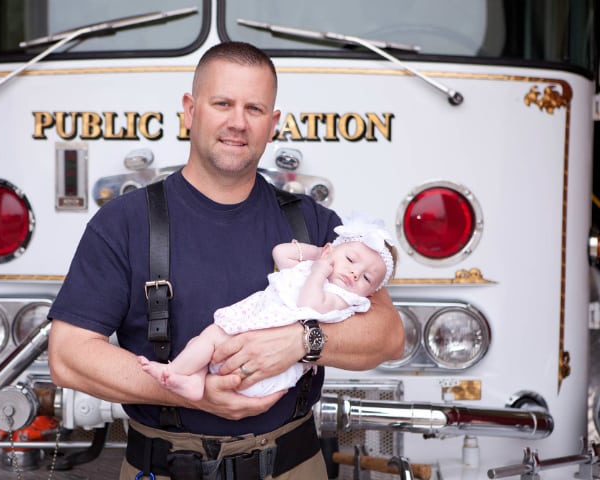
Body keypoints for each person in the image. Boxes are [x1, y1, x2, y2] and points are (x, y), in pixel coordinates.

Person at [47, 41, 404, 480]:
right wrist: (190, 394)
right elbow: (67, 355)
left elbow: (389, 335)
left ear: (272, 124)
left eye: (254, 109)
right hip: (163, 469)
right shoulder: (123, 223)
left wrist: (301, 340)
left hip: (294, 466)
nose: (238, 123)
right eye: (222, 104)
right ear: (189, 110)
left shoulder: (315, 223)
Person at [139, 214, 398, 401]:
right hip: (251, 344)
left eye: (366, 278)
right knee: (204, 340)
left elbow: (309, 306)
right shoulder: (311, 267)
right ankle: (193, 381)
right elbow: (281, 253)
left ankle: (173, 371)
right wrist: (320, 253)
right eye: (351, 259)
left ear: (371, 292)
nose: (354, 273)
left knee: (212, 338)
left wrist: (320, 270)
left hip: (266, 369)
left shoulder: (341, 298)